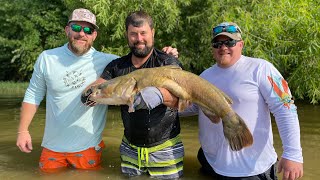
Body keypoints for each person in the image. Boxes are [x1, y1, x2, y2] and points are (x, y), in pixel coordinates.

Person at [16, 8, 178, 173]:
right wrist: (23, 131)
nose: (82, 34)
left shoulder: (109, 62)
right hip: (51, 146)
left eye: (88, 30)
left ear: (94, 35)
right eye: (76, 28)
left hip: (88, 146)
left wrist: (167, 56)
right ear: (67, 30)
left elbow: (140, 61)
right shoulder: (47, 58)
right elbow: (33, 95)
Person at [180, 22, 303, 180]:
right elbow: (195, 108)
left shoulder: (261, 68)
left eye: (229, 42)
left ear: (241, 44)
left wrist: (293, 154)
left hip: (251, 170)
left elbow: (285, 109)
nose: (223, 47)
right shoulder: (204, 76)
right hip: (211, 163)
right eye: (217, 43)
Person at [82, 10, 184, 179]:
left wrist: (160, 95)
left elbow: (183, 101)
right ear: (127, 35)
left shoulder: (167, 61)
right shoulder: (116, 66)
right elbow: (90, 94)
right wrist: (91, 94)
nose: (139, 39)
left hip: (166, 149)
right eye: (133, 34)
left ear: (153, 32)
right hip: (129, 148)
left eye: (143, 33)